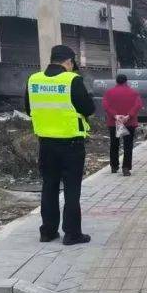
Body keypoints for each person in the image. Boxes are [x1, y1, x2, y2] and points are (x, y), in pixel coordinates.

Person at [23, 44, 95, 245]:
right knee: (72, 189)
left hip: (45, 143)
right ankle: (72, 234)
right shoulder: (72, 80)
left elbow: (29, 109)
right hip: (71, 143)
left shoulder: (34, 80)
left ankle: (47, 231)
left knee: (49, 186)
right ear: (68, 62)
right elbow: (88, 108)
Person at [102, 73, 143, 176]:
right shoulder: (134, 93)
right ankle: (126, 168)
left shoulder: (109, 92)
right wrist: (128, 116)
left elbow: (105, 105)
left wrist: (115, 116)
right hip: (129, 122)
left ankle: (114, 166)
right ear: (126, 81)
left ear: (116, 81)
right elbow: (138, 105)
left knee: (114, 144)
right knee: (128, 146)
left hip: (114, 122)